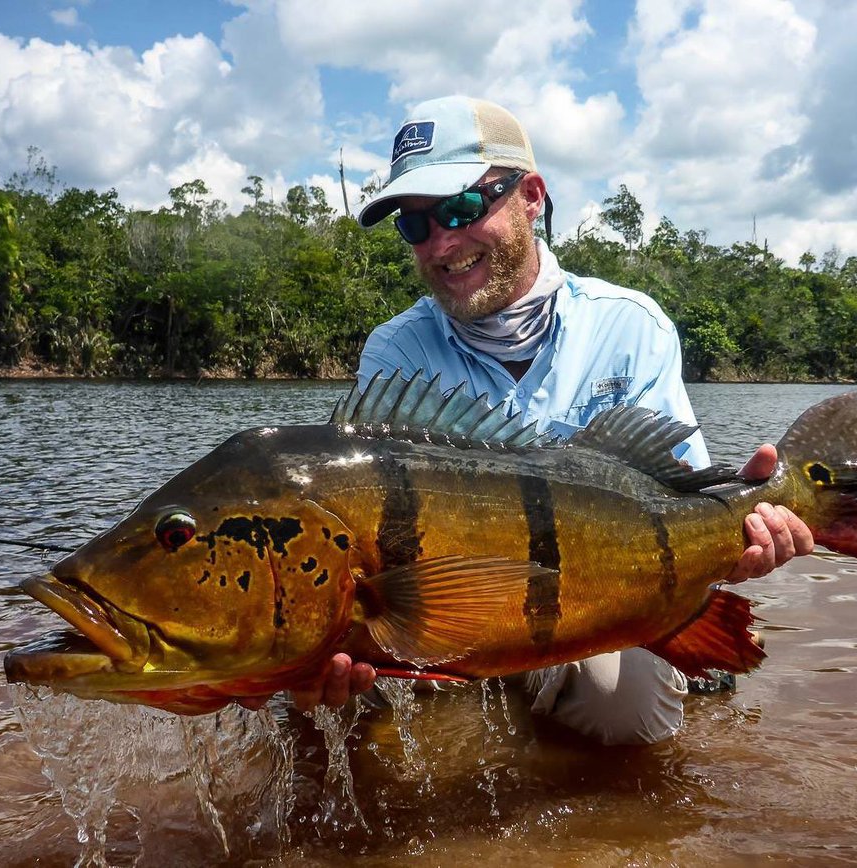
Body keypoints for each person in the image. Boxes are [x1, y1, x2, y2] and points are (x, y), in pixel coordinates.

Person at [291, 96, 814, 745]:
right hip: (446, 614)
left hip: (584, 608)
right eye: (415, 226)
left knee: (621, 708)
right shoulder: (395, 352)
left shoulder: (629, 327)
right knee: (307, 688)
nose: (442, 242)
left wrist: (733, 543)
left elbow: (675, 509)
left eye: (460, 208)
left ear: (531, 196)